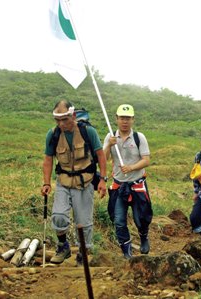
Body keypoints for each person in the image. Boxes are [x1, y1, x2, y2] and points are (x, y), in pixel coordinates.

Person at [41, 100, 107, 265]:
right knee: (58, 216)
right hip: (63, 181)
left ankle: (83, 254)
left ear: (74, 116)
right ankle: (63, 246)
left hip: (85, 182)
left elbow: (101, 155)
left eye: (65, 119)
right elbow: (48, 159)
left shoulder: (88, 132)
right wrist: (46, 183)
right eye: (58, 120)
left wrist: (103, 180)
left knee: (84, 223)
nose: (61, 124)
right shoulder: (53, 134)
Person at [104, 104, 153, 258]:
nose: (125, 121)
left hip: (137, 184)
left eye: (128, 118)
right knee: (118, 220)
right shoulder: (110, 136)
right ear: (116, 119)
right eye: (122, 118)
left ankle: (143, 236)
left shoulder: (139, 137)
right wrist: (109, 145)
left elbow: (146, 160)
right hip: (119, 185)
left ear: (133, 120)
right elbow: (103, 159)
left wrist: (131, 168)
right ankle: (127, 253)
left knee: (141, 218)